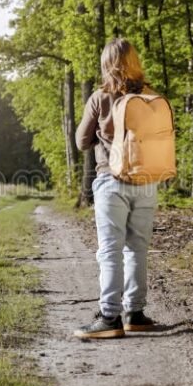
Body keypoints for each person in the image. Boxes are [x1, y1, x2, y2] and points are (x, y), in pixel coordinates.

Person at [74, 38, 159, 339]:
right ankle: (134, 313)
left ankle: (110, 317)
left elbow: (82, 141)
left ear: (106, 64)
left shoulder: (100, 98)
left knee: (111, 250)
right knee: (137, 247)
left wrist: (103, 135)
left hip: (111, 181)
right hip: (147, 181)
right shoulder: (151, 97)